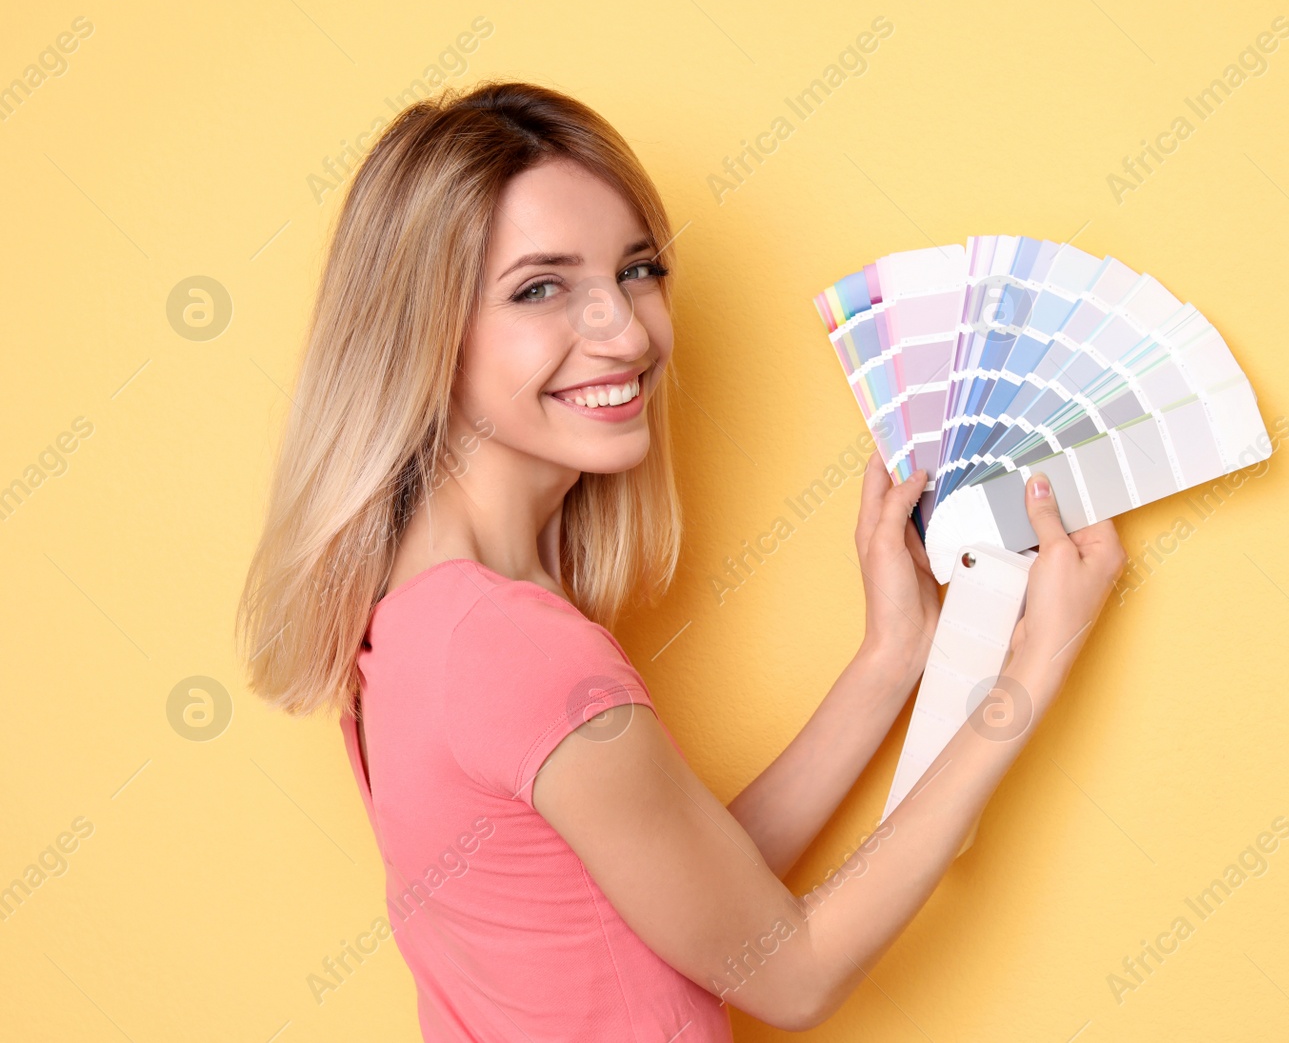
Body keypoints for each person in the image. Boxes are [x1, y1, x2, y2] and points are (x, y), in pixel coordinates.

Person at [236, 80, 1123, 1041]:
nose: (625, 330)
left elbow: (681, 898)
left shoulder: (417, 616)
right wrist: (1034, 664)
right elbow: (790, 973)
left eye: (637, 270)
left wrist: (888, 659)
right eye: (540, 287)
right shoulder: (515, 649)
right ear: (422, 335)